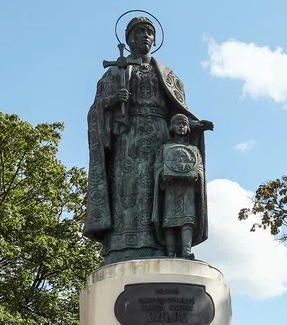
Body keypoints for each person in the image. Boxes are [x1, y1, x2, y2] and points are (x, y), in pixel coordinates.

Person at [85, 15, 213, 264]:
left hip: (160, 139)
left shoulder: (168, 75)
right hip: (128, 139)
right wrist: (112, 101)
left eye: (149, 32)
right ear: (129, 38)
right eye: (139, 32)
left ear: (154, 39)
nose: (144, 36)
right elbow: (95, 111)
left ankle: (167, 244)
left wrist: (194, 127)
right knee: (129, 190)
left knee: (161, 190)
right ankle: (123, 246)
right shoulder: (115, 71)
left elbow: (177, 114)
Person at [155, 113, 208, 259]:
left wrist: (197, 175)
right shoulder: (165, 148)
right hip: (171, 190)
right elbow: (158, 167)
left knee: (187, 221)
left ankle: (186, 250)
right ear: (172, 127)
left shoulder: (194, 150)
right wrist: (162, 175)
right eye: (178, 124)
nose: (182, 127)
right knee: (170, 222)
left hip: (187, 190)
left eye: (184, 124)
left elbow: (199, 167)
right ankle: (170, 253)